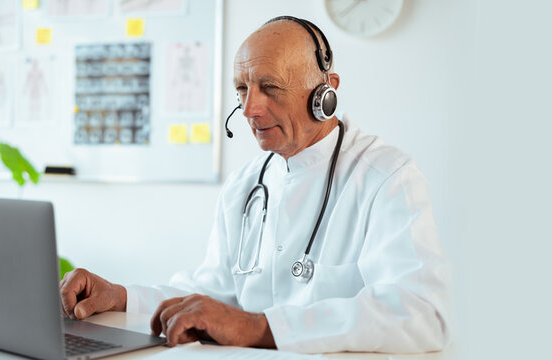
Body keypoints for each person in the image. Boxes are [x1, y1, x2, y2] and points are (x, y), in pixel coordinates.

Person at [60, 16, 451, 354]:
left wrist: (261, 327)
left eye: (270, 87)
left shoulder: (387, 177)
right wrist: (121, 297)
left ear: (325, 91)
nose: (250, 109)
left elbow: (421, 313)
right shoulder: (247, 183)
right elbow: (213, 291)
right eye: (242, 90)